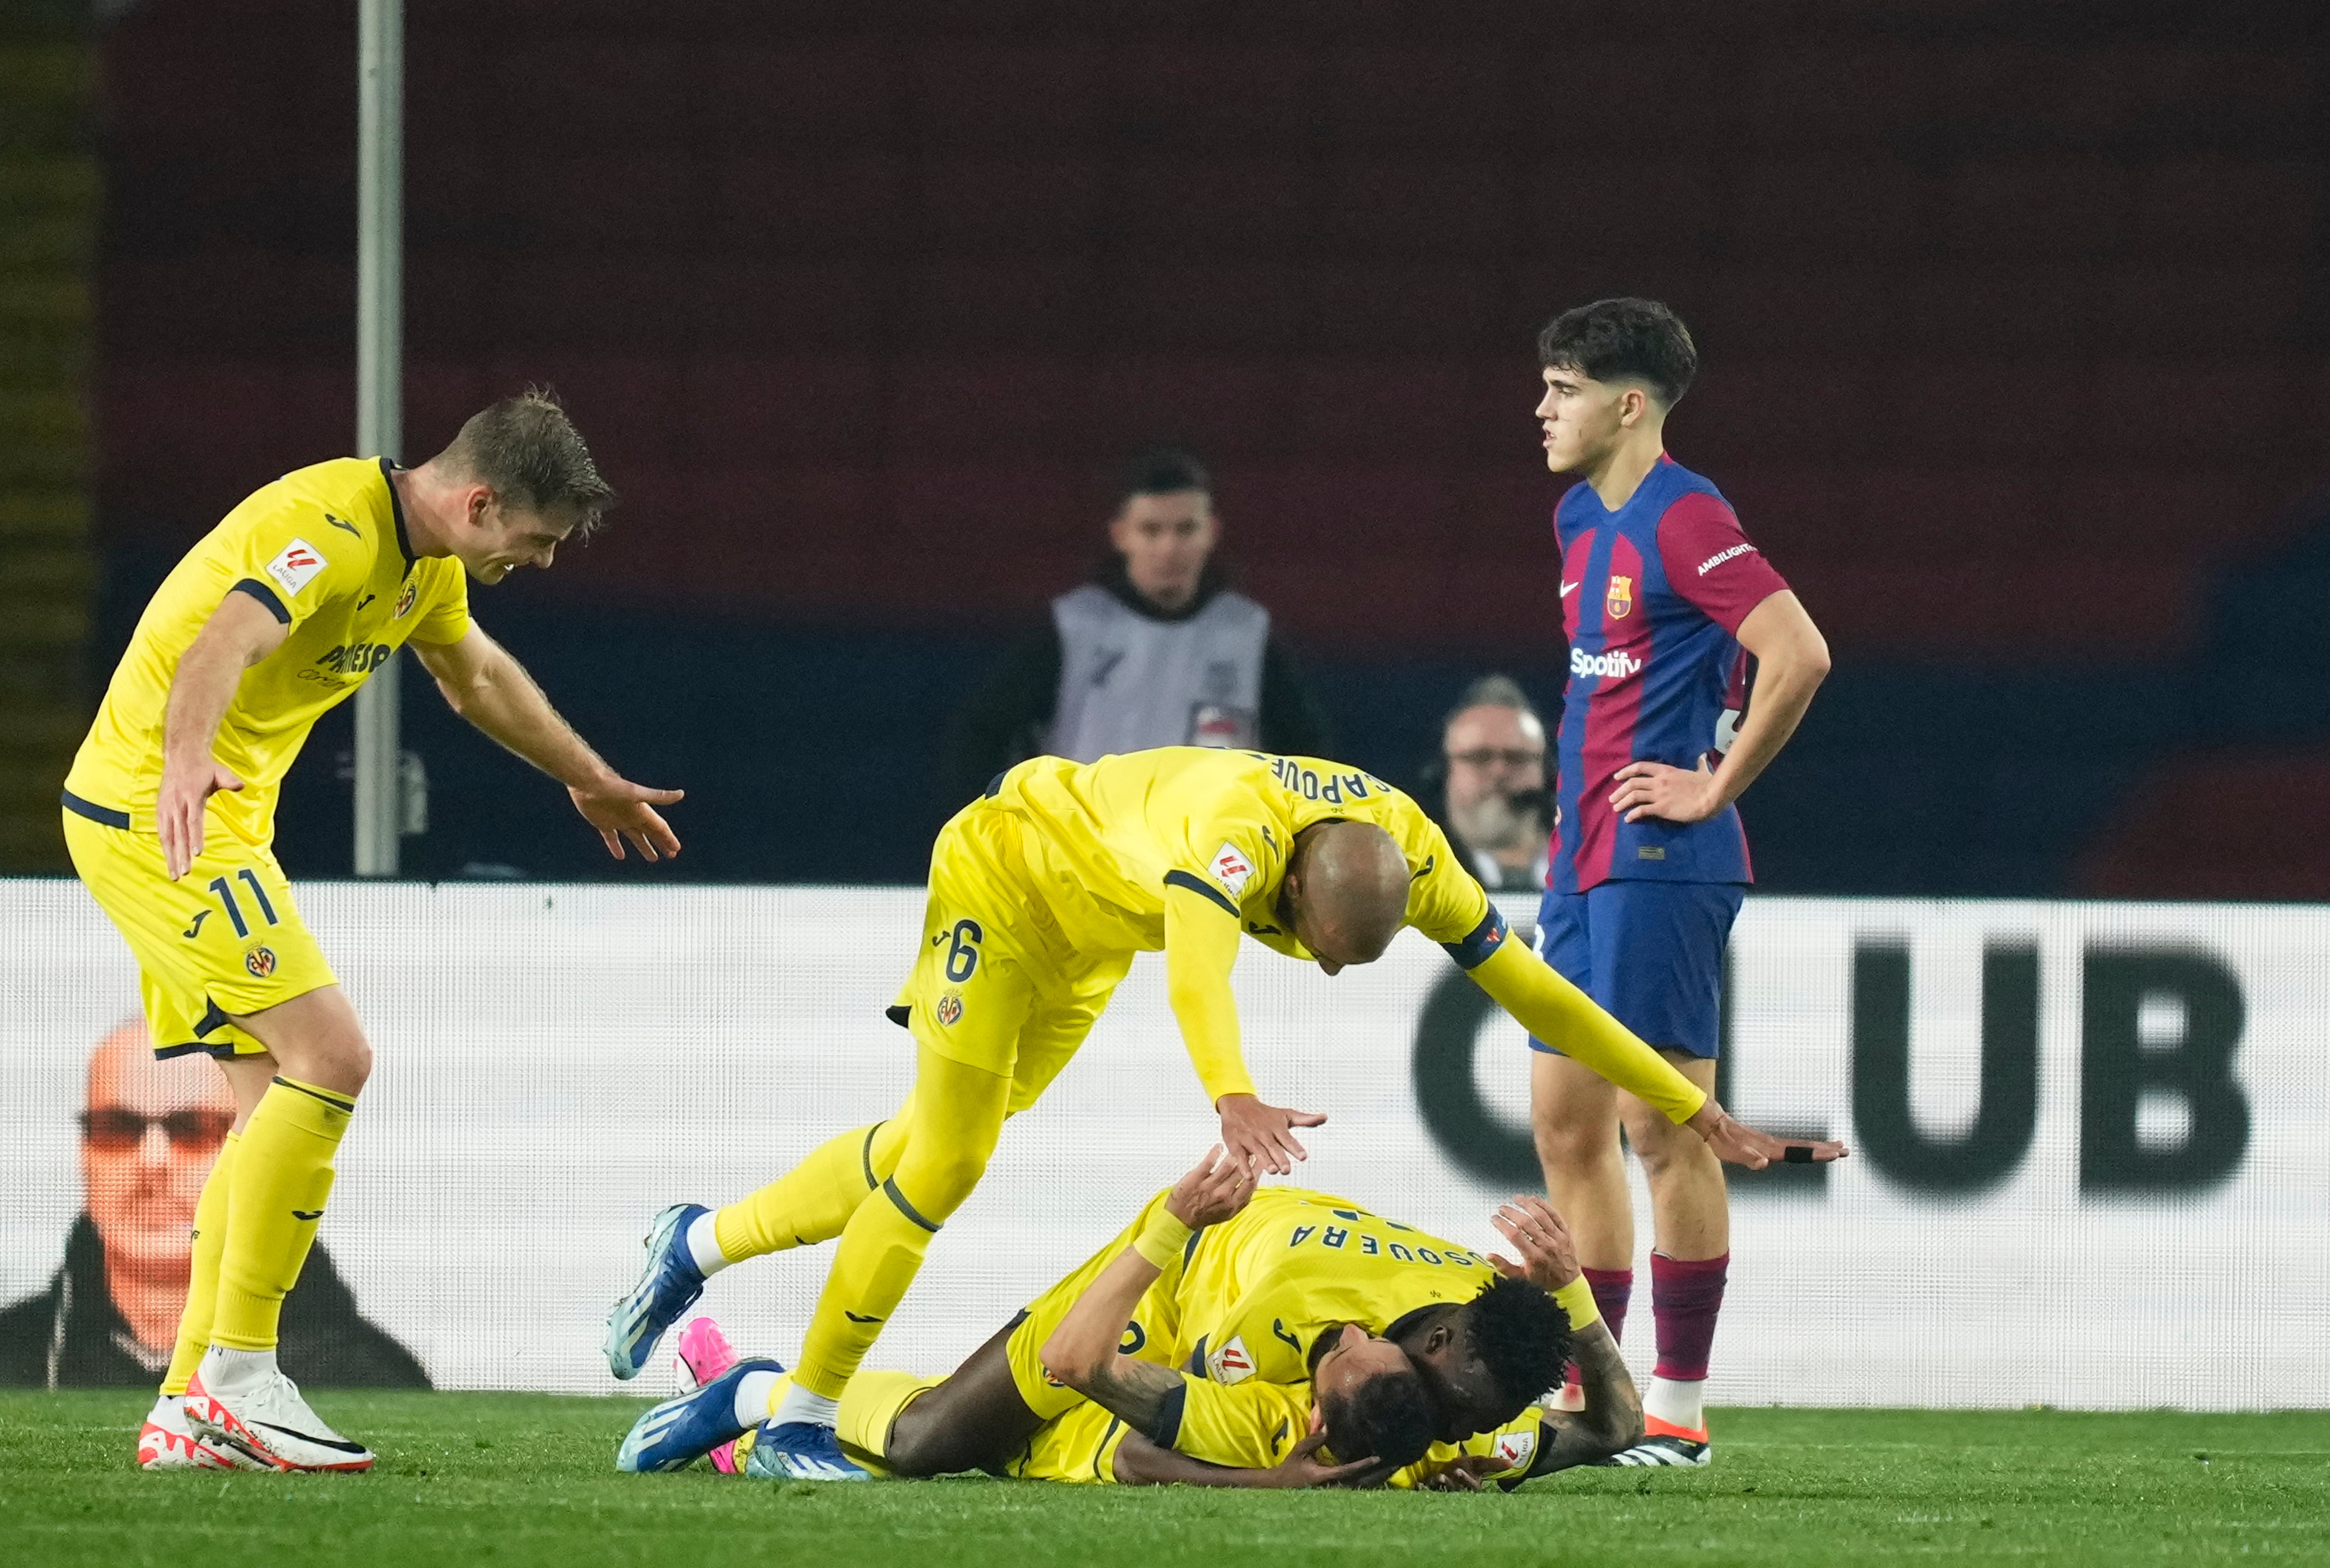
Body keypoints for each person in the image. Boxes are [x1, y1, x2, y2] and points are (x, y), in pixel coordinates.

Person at [603, 744, 1842, 1482]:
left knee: (925, 1146)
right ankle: (796, 1413)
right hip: (1012, 868)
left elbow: (1540, 991)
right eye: (1308, 941)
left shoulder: (1413, 855)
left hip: (1095, 930)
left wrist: (1694, 1106)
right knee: (946, 1166)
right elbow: (1199, 968)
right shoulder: (1235, 836)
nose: (1313, 960)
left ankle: (698, 1243)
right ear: (1295, 881)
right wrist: (1232, 1092)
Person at [59, 389, 682, 1472]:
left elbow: (477, 676)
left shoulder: (427, 567)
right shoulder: (331, 528)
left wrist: (589, 779)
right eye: (534, 540)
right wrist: (186, 758)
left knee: (268, 1114)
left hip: (212, 826)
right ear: (481, 501)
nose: (538, 564)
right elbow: (223, 639)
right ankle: (237, 1380)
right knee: (333, 1056)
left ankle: (189, 1404)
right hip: (167, 816)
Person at [1527, 298, 1832, 1466]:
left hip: (1662, 862)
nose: (1541, 409)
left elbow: (1797, 650)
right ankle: (1593, 1403)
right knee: (1564, 1129)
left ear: (1626, 403)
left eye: (1560, 388)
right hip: (1582, 864)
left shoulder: (1684, 513)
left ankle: (1680, 1414)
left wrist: (1712, 788)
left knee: (1661, 1127)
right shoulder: (1574, 516)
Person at [616, 1151, 1644, 1492]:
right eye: (1453, 1418)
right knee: (939, 1441)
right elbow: (1107, 1393)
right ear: (1428, 1347)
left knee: (986, 1450)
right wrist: (1271, 1480)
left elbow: (1616, 1426)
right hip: (1167, 1276)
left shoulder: (1475, 1357)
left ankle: (755, 1395)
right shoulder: (1275, 1328)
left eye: (1472, 1429)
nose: (1466, 1440)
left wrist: (1574, 1302)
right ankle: (754, 1390)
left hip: (1227, 1287)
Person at [0, 1022, 426, 1449]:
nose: (152, 1163)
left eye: (193, 1129)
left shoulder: (376, 1374)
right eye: (117, 1128)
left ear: (262, 1150)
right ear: (84, 1152)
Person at [939, 446, 1332, 807]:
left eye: (1185, 529)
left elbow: (1311, 762)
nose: (1169, 548)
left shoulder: (1247, 638)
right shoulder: (1072, 630)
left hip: (1211, 861)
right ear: (1121, 534)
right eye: (1151, 530)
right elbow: (980, 737)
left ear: (1210, 533)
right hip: (1087, 855)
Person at [1433, 675, 1553, 892]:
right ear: (1444, 771)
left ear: (1546, 769)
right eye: (1479, 757)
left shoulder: (1587, 863)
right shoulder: (1419, 872)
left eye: (1517, 758)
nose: (1499, 771)